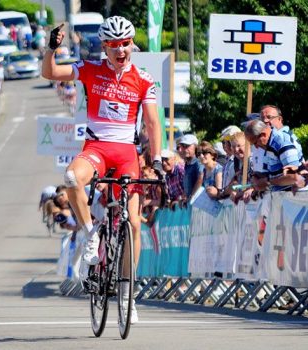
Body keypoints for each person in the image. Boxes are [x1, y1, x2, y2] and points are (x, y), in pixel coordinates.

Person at [42, 16, 162, 323]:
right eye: (113, 45)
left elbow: (151, 123)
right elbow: (51, 72)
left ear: (131, 44)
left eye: (125, 44)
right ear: (104, 47)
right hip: (96, 148)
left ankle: (127, 295)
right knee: (70, 177)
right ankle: (89, 233)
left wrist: (157, 158)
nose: (120, 50)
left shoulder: (144, 79)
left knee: (134, 224)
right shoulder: (90, 69)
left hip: (126, 154)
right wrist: (50, 49)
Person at [244, 120, 305, 192]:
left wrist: (267, 181)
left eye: (255, 143)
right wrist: (257, 176)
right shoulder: (268, 145)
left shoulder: (281, 142)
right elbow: (272, 175)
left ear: (263, 134)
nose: (256, 147)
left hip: (295, 196)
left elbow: (293, 177)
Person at [177, 134, 203, 203]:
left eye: (187, 146)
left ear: (195, 147)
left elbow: (200, 180)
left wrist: (191, 196)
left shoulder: (198, 163)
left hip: (198, 204)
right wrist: (185, 196)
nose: (185, 149)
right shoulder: (187, 164)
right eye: (183, 146)